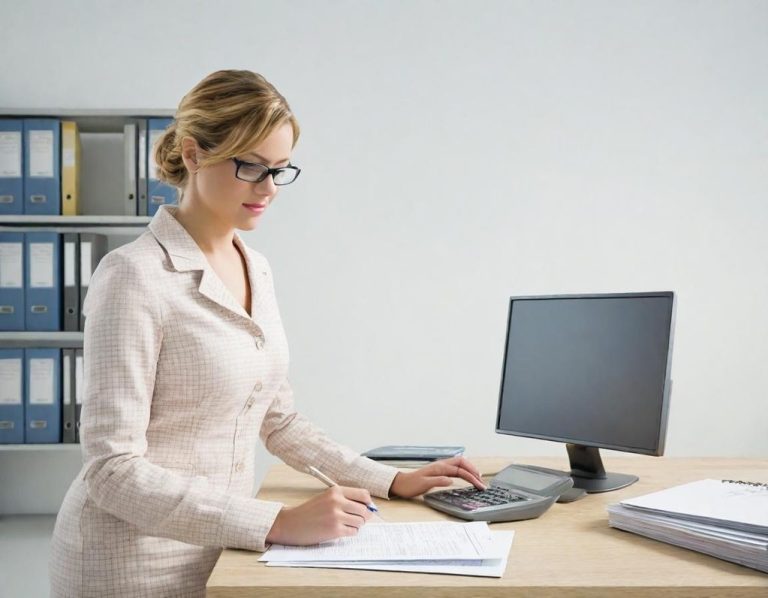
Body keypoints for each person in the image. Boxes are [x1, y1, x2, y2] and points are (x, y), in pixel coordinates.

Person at [48, 70, 486, 597]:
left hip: (224, 550)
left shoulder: (255, 266)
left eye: (279, 170)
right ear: (192, 154)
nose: (269, 189)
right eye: (251, 167)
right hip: (131, 561)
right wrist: (275, 522)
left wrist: (391, 479)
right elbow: (112, 470)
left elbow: (277, 419)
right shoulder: (134, 275)